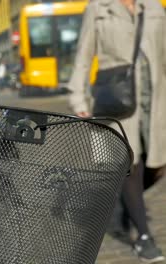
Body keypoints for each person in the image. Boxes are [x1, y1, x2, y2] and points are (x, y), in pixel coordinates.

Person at [68, 0, 166, 262]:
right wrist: (79, 98)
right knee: (129, 163)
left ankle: (128, 203)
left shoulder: (154, 7)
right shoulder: (99, 8)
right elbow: (84, 54)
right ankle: (144, 237)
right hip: (117, 98)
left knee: (158, 165)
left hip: (155, 99)